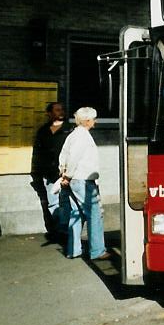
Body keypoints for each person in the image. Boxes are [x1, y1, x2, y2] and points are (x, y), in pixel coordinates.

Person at [58, 107, 107, 260]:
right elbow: (74, 157)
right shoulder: (83, 136)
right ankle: (97, 250)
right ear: (87, 121)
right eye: (93, 118)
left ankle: (73, 249)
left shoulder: (73, 135)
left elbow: (64, 155)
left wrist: (63, 172)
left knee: (76, 214)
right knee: (95, 214)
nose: (95, 121)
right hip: (83, 179)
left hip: (74, 179)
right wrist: (68, 175)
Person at [29, 102, 72, 243]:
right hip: (49, 174)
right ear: (49, 113)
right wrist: (36, 172)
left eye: (62, 109)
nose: (61, 112)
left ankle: (66, 231)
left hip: (66, 174)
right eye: (57, 110)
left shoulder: (70, 129)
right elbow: (38, 152)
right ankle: (59, 230)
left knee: (66, 203)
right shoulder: (43, 131)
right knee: (53, 204)